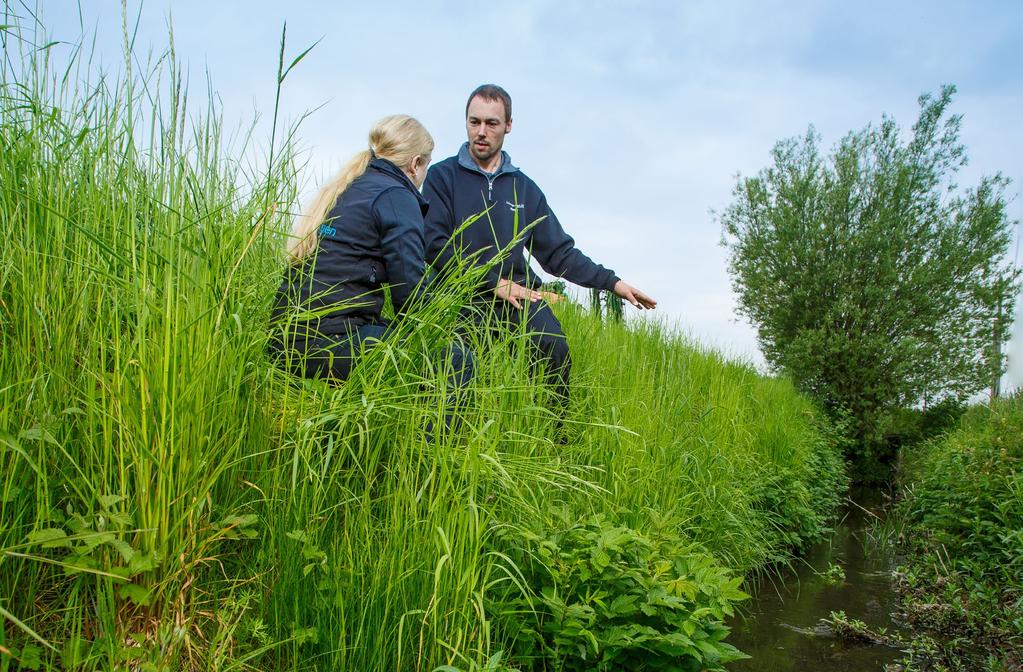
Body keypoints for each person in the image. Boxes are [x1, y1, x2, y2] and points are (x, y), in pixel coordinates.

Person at [423, 84, 655, 402]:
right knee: (460, 364)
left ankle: (553, 438)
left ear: (508, 125)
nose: (481, 132)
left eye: (491, 124)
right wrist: (492, 281)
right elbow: (433, 243)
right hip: (459, 295)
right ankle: (458, 438)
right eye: (474, 122)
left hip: (518, 296)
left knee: (553, 345)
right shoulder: (441, 177)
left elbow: (559, 253)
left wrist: (611, 282)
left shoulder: (525, 189)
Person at [271, 115, 472, 388]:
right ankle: (434, 433)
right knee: (456, 360)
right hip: (327, 342)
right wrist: (442, 328)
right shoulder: (396, 196)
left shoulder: (349, 186)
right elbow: (410, 295)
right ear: (416, 165)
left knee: (393, 335)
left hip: (283, 341)